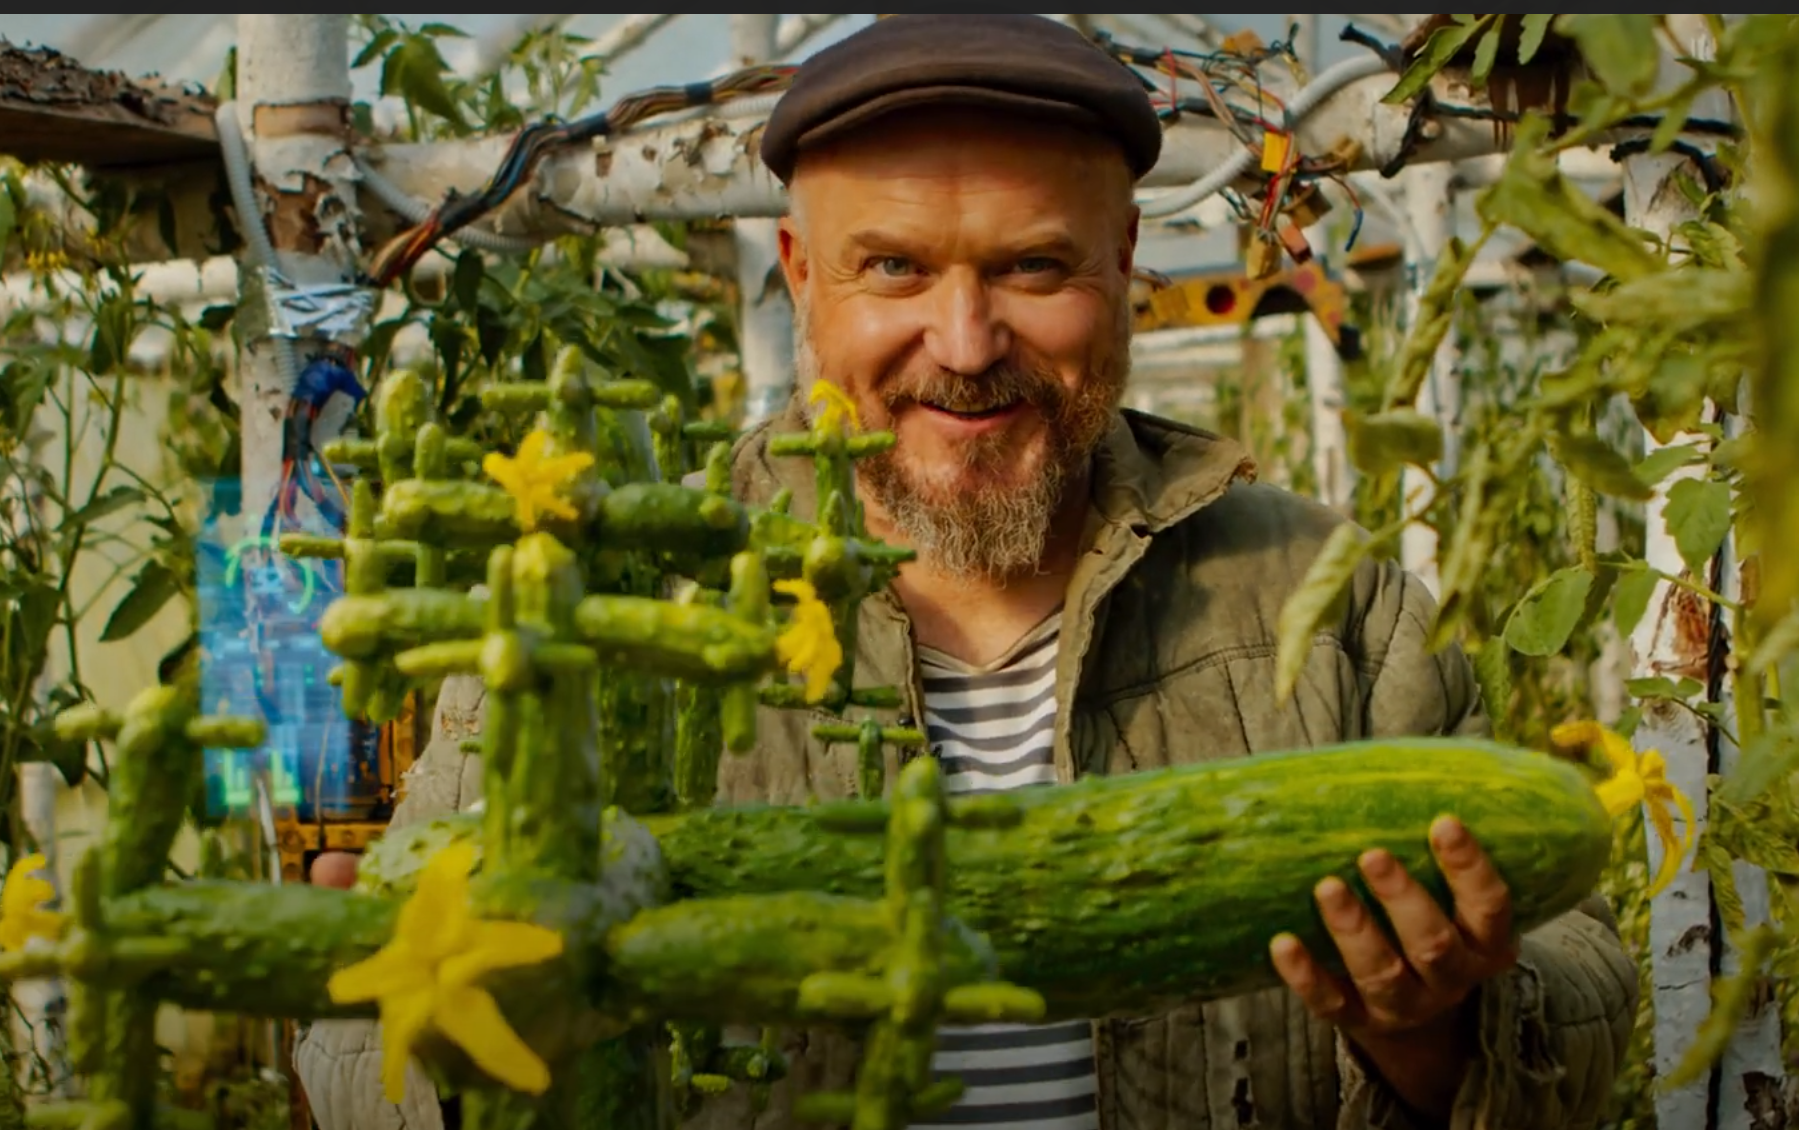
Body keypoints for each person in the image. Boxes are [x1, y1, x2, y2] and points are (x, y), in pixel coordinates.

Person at [298, 14, 1637, 1130]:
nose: (963, 338)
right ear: (799, 276)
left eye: (1031, 265)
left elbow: (1586, 1004)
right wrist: (478, 1055)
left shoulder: (1317, 595)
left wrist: (1441, 1029)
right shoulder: (610, 608)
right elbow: (353, 1054)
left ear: (1120, 268)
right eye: (892, 267)